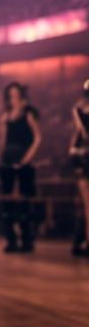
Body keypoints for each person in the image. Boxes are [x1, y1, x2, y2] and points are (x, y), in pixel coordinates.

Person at [0, 82, 41, 253]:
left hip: (24, 157)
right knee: (8, 201)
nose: (13, 98)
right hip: (8, 159)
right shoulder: (6, 115)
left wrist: (28, 157)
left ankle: (27, 239)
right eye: (10, 95)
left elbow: (38, 137)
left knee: (25, 200)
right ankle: (11, 239)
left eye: (15, 94)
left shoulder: (29, 113)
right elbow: (3, 140)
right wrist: (2, 158)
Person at [69, 79, 89, 257]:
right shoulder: (80, 111)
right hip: (84, 159)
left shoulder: (79, 111)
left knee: (86, 205)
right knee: (86, 205)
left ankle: (80, 241)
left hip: (82, 157)